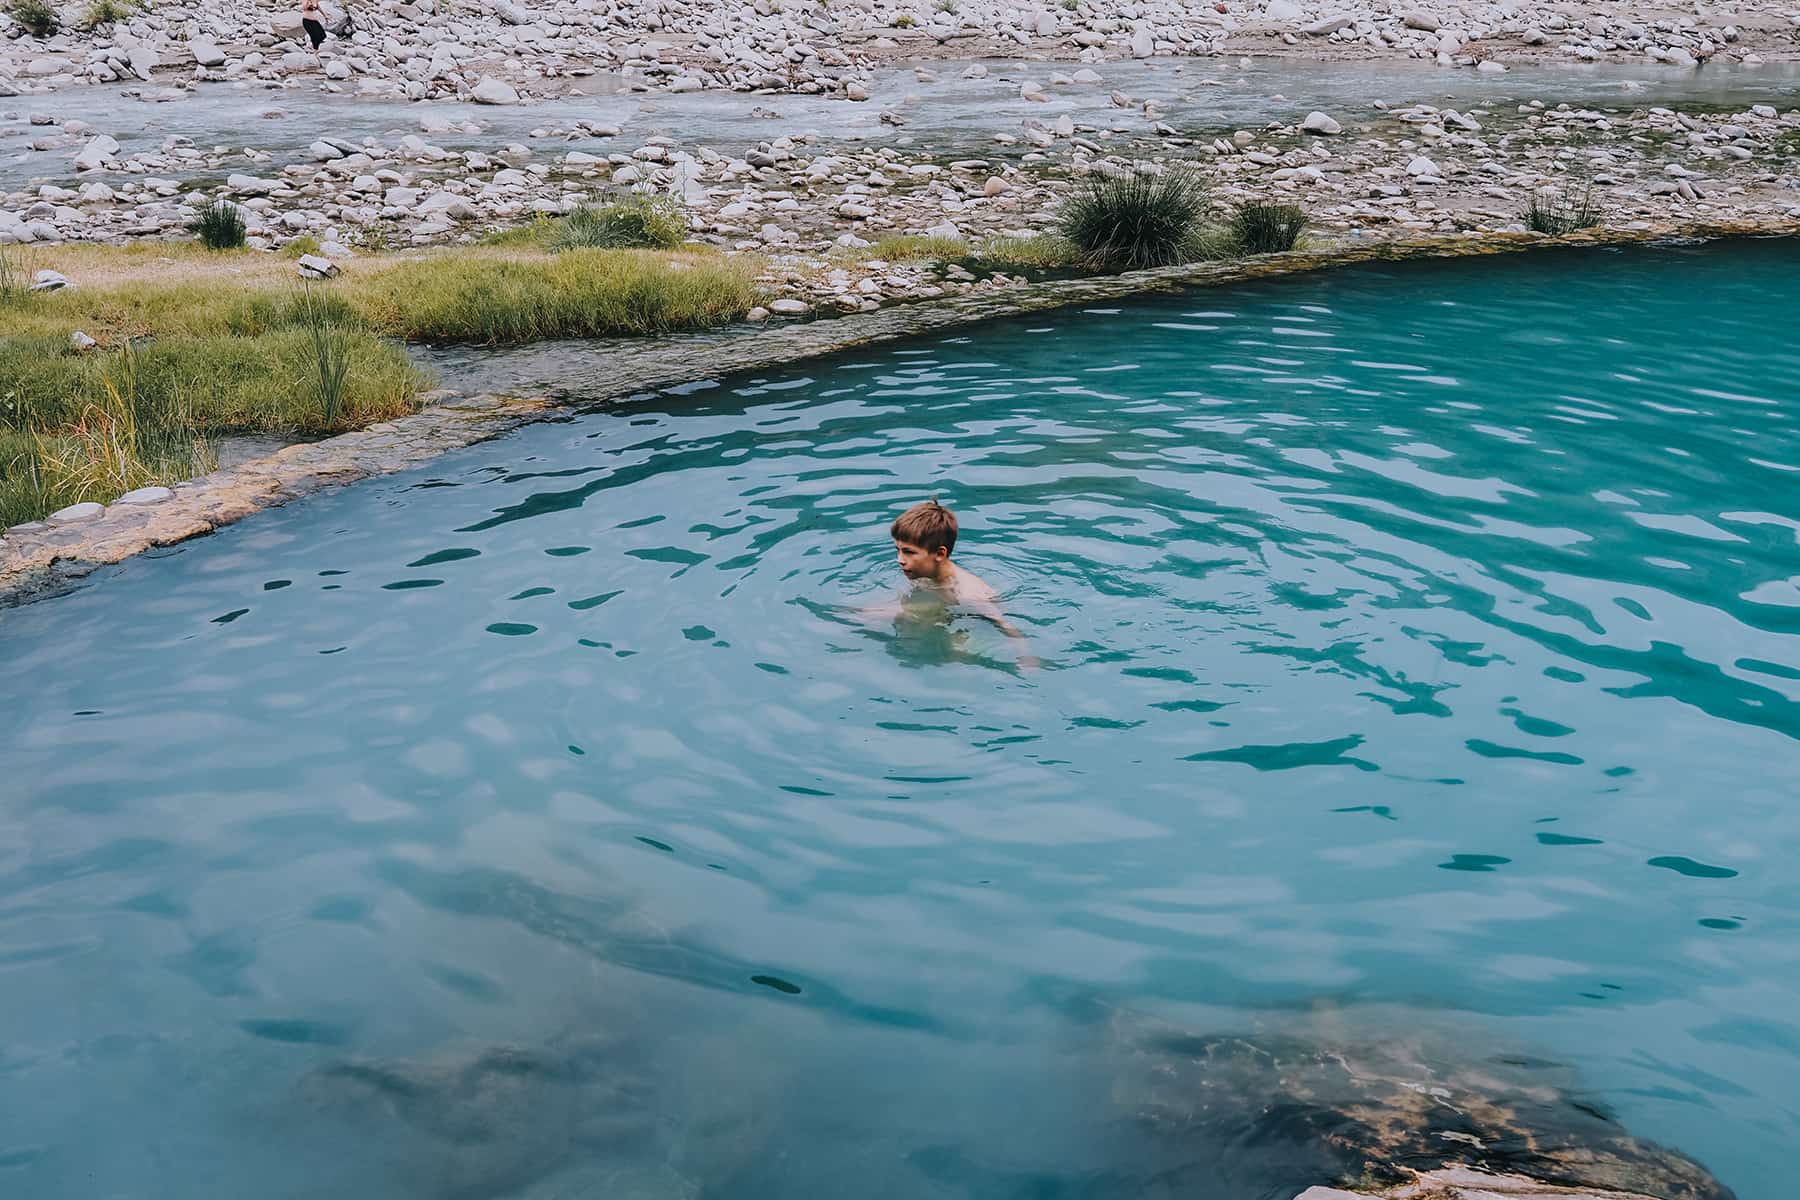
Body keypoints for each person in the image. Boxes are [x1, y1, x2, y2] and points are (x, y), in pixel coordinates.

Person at [878, 499, 1037, 668]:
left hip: (968, 627)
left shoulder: (968, 593)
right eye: (898, 550)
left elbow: (1005, 625)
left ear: (940, 554)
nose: (900, 560)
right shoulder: (923, 573)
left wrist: (1025, 657)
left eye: (909, 552)